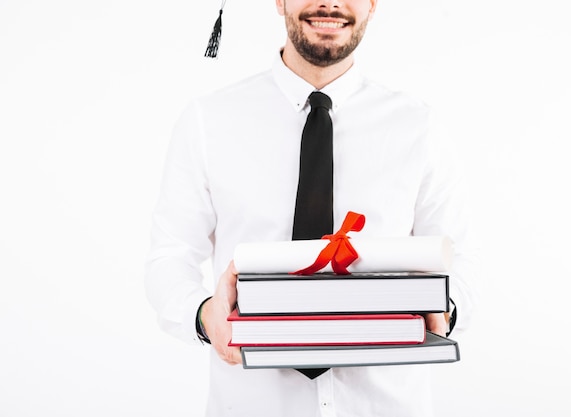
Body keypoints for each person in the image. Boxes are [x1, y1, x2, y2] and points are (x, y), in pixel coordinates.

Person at [145, 0, 477, 415]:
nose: (330, 3)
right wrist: (202, 315)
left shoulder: (418, 126)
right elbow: (169, 256)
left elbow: (460, 257)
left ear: (373, 4)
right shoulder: (208, 122)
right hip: (254, 403)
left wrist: (444, 307)